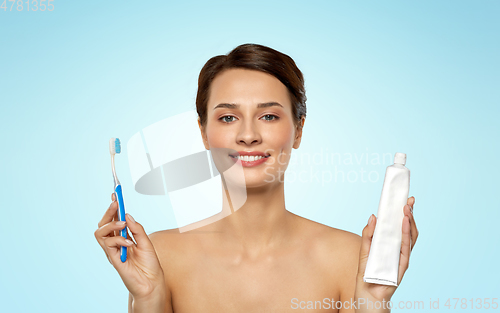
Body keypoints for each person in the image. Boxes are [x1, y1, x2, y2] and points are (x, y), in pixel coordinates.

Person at [95, 43, 418, 313]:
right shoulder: (161, 255)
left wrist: (372, 304)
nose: (248, 135)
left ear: (299, 130)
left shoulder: (349, 257)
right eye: (228, 117)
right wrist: (147, 297)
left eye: (268, 116)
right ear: (204, 133)